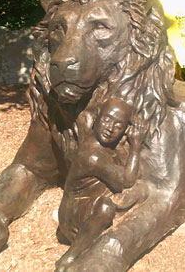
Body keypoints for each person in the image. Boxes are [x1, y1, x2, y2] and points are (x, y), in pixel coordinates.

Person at [55, 98, 146, 266]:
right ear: (97, 117)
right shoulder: (93, 156)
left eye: (118, 126)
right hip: (74, 217)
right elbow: (127, 180)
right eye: (106, 119)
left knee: (139, 194)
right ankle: (70, 257)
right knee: (107, 207)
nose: (110, 129)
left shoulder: (98, 142)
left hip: (80, 207)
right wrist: (136, 146)